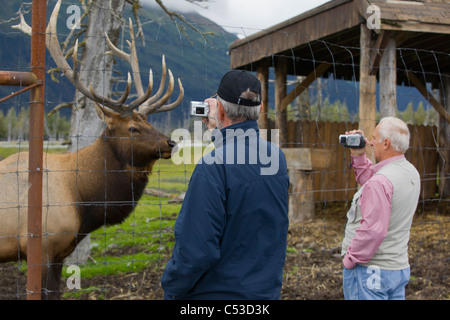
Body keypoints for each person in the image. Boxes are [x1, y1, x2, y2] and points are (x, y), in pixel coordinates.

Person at [161, 70, 290, 299]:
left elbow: (195, 253)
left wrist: (171, 287)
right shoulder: (276, 158)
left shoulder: (212, 166)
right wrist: (219, 130)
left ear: (219, 110)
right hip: (263, 294)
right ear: (259, 110)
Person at [341, 116, 421, 300]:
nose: (369, 142)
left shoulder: (380, 182)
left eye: (374, 138)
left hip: (371, 272)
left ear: (386, 143)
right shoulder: (410, 172)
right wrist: (358, 155)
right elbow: (374, 184)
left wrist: (350, 260)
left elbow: (372, 231)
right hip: (397, 267)